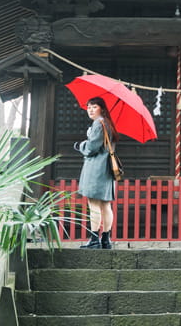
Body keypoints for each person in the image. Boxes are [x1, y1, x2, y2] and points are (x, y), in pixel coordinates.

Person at [74, 96, 118, 249]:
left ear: (102, 108)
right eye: (88, 107)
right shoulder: (108, 124)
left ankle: (94, 239)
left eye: (94, 107)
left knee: (94, 204)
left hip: (96, 169)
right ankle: (105, 240)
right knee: (106, 205)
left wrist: (81, 145)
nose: (90, 110)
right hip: (106, 169)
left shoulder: (98, 124)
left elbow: (92, 147)